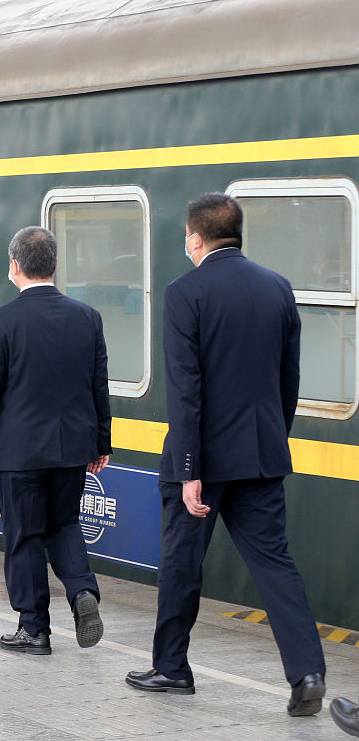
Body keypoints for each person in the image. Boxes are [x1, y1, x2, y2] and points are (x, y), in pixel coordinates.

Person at [126, 193, 327, 716]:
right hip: (260, 455)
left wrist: (191, 470)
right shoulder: (277, 288)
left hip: (202, 461)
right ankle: (307, 673)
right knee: (275, 564)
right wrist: (269, 441)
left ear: (195, 238)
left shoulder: (185, 292)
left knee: (181, 562)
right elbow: (289, 381)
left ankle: (171, 668)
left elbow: (186, 389)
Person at [0, 226, 110, 655]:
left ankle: (34, 628)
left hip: (20, 450)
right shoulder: (87, 317)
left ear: (14, 267)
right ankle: (82, 591)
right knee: (63, 523)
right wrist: (102, 441)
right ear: (55, 265)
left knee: (25, 534)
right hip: (73, 447)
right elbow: (97, 384)